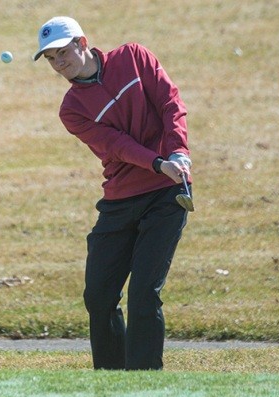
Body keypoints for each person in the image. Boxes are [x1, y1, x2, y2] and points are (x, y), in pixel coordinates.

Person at [33, 16, 192, 370]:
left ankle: (144, 382)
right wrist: (157, 162)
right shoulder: (72, 109)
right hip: (121, 199)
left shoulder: (133, 57)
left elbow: (170, 102)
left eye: (62, 53)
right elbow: (116, 145)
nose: (59, 63)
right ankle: (110, 381)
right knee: (99, 295)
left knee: (143, 293)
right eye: (51, 59)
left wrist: (178, 153)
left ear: (82, 43)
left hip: (166, 193)